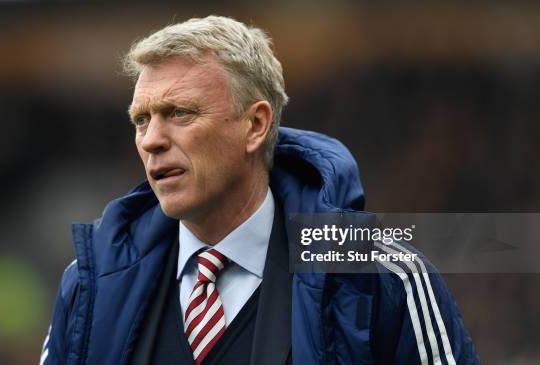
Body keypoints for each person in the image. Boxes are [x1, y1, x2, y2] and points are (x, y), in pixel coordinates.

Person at [40, 15, 480, 365]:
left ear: (255, 125)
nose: (151, 139)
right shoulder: (89, 286)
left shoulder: (381, 278)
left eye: (179, 113)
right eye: (141, 119)